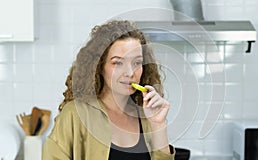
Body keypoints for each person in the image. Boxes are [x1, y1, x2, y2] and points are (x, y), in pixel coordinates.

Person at [42, 20, 175, 160]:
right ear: (99, 66)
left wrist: (158, 124)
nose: (130, 73)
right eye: (118, 63)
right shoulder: (75, 114)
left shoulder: (146, 117)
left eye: (137, 63)